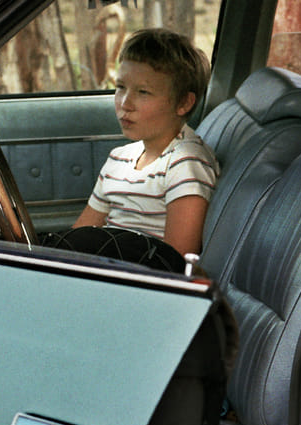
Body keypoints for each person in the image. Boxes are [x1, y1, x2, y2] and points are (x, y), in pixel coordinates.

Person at [72, 28, 218, 256]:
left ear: (183, 103)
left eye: (143, 92)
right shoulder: (119, 158)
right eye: (121, 87)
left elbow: (174, 260)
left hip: (138, 273)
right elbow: (78, 237)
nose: (125, 103)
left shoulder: (186, 164)